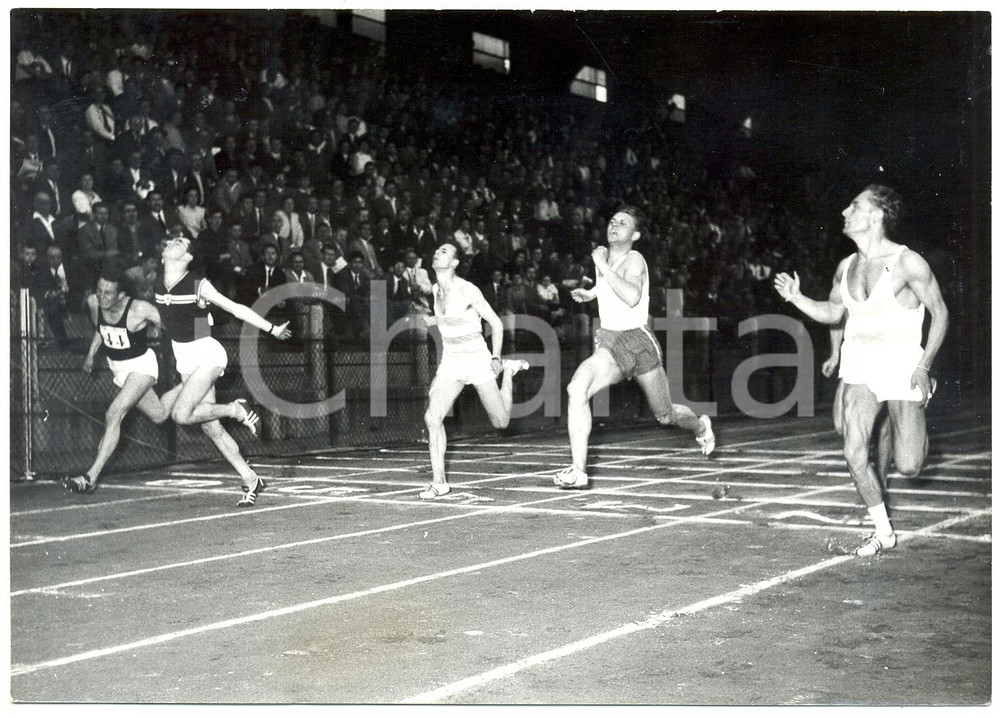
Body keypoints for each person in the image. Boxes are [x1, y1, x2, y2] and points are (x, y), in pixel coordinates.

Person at [774, 184, 948, 556]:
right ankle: (883, 531)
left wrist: (924, 364)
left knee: (910, 465)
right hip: (860, 365)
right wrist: (796, 298)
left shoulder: (907, 262)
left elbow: (941, 313)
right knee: (852, 450)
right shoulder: (846, 267)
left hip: (903, 364)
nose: (844, 212)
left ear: (877, 214)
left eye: (854, 205)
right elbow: (834, 313)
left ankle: (912, 410)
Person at [559, 206, 715, 490]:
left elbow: (632, 296)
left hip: (639, 341)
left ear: (636, 234)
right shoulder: (603, 258)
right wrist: (591, 292)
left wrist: (602, 267)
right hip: (610, 341)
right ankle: (579, 471)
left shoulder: (635, 260)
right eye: (612, 220)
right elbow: (610, 284)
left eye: (623, 222)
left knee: (665, 416)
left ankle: (701, 427)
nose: (614, 225)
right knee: (576, 388)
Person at [155, 235, 292, 507]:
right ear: (163, 256)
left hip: (207, 354)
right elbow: (175, 317)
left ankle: (237, 409)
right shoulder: (157, 281)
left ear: (187, 257)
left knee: (182, 414)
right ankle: (250, 477)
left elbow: (236, 308)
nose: (173, 241)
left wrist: (272, 329)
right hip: (185, 359)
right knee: (210, 426)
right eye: (172, 240)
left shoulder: (198, 284)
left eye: (180, 241)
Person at [421, 243, 529, 499]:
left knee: (500, 422)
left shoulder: (468, 289)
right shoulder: (435, 290)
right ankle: (439, 482)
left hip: (477, 358)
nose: (437, 252)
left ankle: (509, 372)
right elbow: (452, 318)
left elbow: (495, 323)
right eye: (436, 249)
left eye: (445, 251)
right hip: (451, 361)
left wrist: (496, 357)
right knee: (432, 417)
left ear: (455, 263)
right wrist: (432, 320)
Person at [64, 266, 173, 493]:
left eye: (108, 293)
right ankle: (188, 386)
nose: (102, 297)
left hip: (142, 366)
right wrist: (91, 355)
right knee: (160, 415)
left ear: (121, 294)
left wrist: (194, 345)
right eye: (100, 290)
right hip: (120, 371)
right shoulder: (95, 303)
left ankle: (90, 476)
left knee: (113, 413)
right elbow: (101, 329)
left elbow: (171, 323)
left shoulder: (139, 309)